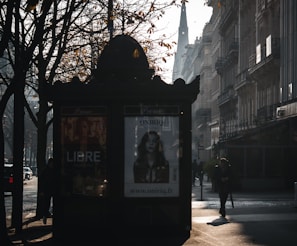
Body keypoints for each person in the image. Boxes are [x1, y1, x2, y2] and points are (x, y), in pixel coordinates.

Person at [39, 157, 55, 224]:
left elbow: (42, 181)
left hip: (48, 189)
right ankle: (45, 214)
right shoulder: (52, 171)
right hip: (49, 189)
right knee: (47, 203)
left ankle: (45, 215)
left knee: (47, 203)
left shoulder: (45, 170)